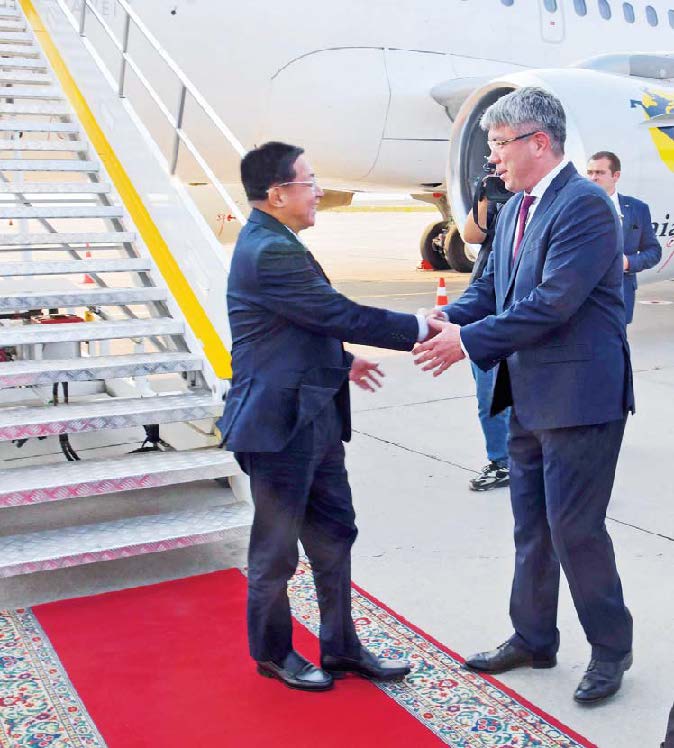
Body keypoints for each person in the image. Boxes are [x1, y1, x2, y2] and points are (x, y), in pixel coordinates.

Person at [414, 88, 634, 703]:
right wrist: (445, 320)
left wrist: (467, 342)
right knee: (531, 526)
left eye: (499, 144)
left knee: (575, 530)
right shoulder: (514, 209)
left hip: (581, 400)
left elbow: (552, 303)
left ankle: (611, 648)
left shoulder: (586, 206)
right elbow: (489, 289)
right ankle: (534, 637)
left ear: (540, 142)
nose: (492, 158)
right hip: (528, 394)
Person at [217, 141, 432, 692]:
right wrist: (418, 328)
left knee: (335, 533)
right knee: (276, 551)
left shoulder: (277, 241)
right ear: (277, 194)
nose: (317, 191)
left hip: (314, 416)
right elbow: (334, 312)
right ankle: (273, 653)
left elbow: (295, 325)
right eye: (309, 181)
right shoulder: (270, 250)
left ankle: (340, 647)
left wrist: (342, 360)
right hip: (278, 427)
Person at [461, 176, 510, 491]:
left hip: (514, 308)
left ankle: (509, 460)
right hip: (485, 302)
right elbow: (471, 235)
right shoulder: (496, 201)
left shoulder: (539, 205)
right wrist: (482, 198)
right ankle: (502, 460)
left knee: (500, 393)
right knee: (489, 393)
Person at [587, 150, 661, 324]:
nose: (593, 178)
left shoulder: (637, 209)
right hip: (582, 299)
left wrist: (628, 262)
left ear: (616, 176)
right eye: (590, 172)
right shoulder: (573, 208)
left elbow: (654, 251)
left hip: (620, 298)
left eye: (600, 172)